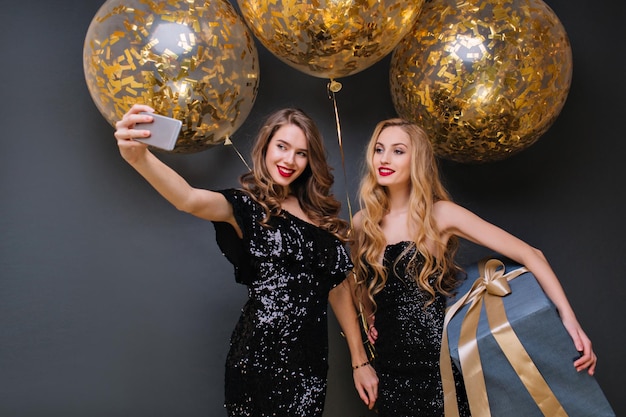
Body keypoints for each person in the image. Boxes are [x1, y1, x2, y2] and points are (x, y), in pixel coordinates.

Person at [114, 104, 378, 416]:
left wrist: (359, 361)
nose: (289, 160)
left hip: (310, 366)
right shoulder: (247, 207)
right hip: (257, 359)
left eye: (301, 153)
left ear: (310, 161)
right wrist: (139, 158)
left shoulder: (321, 219)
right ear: (266, 147)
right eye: (282, 147)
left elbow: (338, 287)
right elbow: (187, 198)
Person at [349, 118, 597, 417]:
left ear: (418, 160)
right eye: (379, 149)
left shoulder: (441, 214)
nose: (385, 159)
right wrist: (369, 315)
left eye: (398, 151)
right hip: (389, 370)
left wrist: (569, 321)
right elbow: (356, 282)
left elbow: (531, 254)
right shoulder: (362, 222)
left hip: (441, 367)